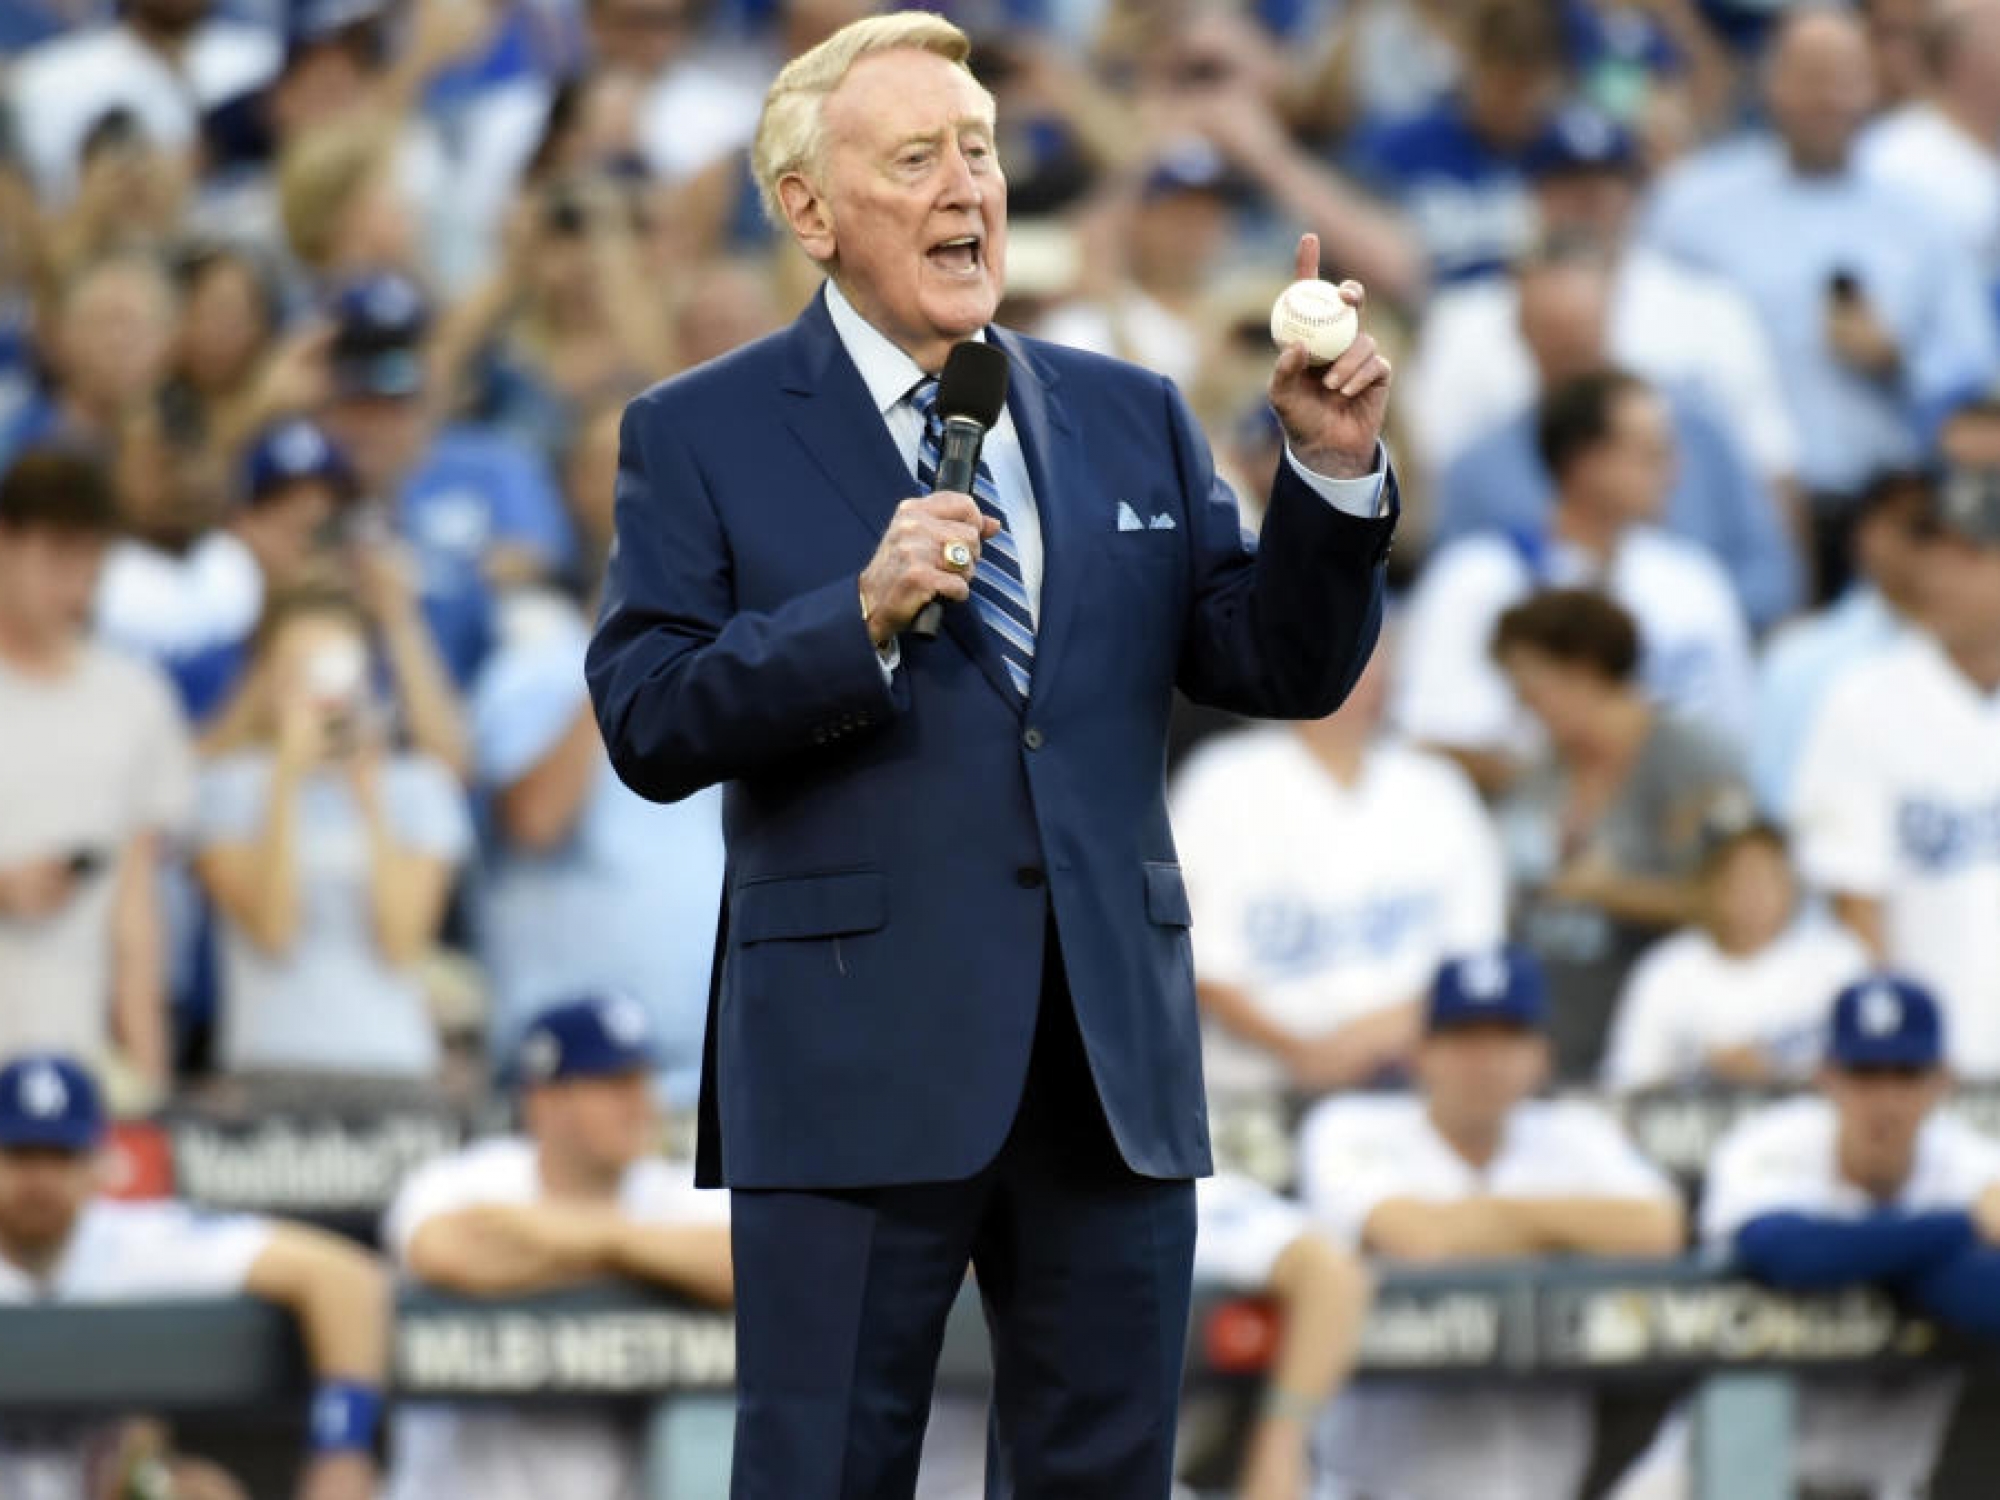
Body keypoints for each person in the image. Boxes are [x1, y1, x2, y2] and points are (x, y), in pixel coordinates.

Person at [584, 12, 1398, 1495]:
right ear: (809, 212)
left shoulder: (1130, 415)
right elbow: (646, 714)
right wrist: (854, 620)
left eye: (981, 150)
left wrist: (1328, 483)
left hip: (1108, 1062)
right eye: (916, 158)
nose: (969, 188)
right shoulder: (698, 434)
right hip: (848, 1060)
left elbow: (1273, 662)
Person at [1296, 946, 1685, 1500]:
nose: (1487, 1060)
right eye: (1465, 1038)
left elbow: (1660, 1228)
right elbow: (1417, 1240)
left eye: (1508, 1037)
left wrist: (1490, 1220)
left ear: (1541, 1054)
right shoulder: (1349, 1125)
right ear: (1422, 1050)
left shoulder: (1574, 1131)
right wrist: (1564, 1234)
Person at [1641, 7, 1998, 593]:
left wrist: (1896, 357)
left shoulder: (1921, 219)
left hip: (1885, 503)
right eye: (1810, 77)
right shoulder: (1692, 207)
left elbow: (1974, 375)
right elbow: (1648, 332)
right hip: (1738, 504)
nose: (1829, 99)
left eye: (1845, 78)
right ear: (1770, 82)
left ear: (1873, 85)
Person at [470, 401, 723, 1105]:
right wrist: (619, 657)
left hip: (712, 1076)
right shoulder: (535, 660)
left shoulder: (729, 660)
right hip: (571, 1079)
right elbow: (534, 821)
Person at [383, 992, 733, 1500]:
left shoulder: (665, 1190)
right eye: (613, 1084)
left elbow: (749, 1269)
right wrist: (644, 1258)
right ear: (544, 1100)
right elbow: (442, 1252)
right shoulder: (471, 1178)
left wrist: (598, 1236)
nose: (641, 1104)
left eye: (645, 1080)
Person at [0, 1052, 389, 1500]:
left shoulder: (129, 1241)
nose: (40, 1180)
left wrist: (340, 1452)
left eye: (60, 1156)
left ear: (97, 1163)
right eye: (20, 1155)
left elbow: (345, 1279)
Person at [1672, 975, 2000, 1497]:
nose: (1885, 1098)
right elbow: (1786, 1255)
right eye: (1865, 1072)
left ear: (1942, 1080)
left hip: (1886, 1484)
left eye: (1906, 1073)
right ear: (1827, 1077)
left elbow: (1988, 1301)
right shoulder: (1770, 1145)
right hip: (1716, 1479)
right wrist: (1964, 1228)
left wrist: (1874, 1254)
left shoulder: (1969, 1164)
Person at [1170, 643, 1505, 1100]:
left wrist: (1363, 1048)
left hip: (1409, 1085)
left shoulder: (1438, 786)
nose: (1362, 682)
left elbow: (1473, 957)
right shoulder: (1222, 777)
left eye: (1375, 665)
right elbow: (1188, 952)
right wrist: (1301, 1051)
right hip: (1246, 1090)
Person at [1393, 370, 1755, 787]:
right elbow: (1431, 739)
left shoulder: (1695, 582)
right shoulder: (1475, 579)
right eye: (1649, 456)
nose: (1673, 473)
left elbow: (1735, 737)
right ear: (1585, 462)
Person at [1431, 240, 1799, 629]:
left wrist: (1675, 624)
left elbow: (1770, 577)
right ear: (1520, 329)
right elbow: (1455, 605)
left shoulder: (1697, 430)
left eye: (1582, 326)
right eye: (1552, 328)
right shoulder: (1477, 470)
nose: (1569, 344)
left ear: (1611, 317)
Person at [192, 580, 472, 1080]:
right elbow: (273, 930)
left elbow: (402, 945)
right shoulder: (227, 789)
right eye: (299, 670)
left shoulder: (417, 787)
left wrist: (368, 797)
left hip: (392, 1061)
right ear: (268, 680)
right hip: (268, 1063)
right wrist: (284, 778)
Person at [1791, 465, 2000, 1078]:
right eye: (1931, 550)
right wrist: (1904, 1058)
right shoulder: (1864, 701)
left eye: (1970, 554)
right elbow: (1855, 904)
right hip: (1933, 1067)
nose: (1939, 575)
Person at [1489, 589, 1749, 1078]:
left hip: (1661, 1050)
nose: (1524, 707)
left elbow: (1742, 907)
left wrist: (1613, 893)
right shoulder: (1537, 780)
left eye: (1531, 687)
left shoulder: (1692, 764)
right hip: (1554, 1044)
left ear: (1584, 671)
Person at [0, 448, 192, 1102]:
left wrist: (151, 1077)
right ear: (6, 543)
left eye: (93, 567)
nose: (76, 589)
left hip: (73, 1060)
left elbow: (136, 913)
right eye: (58, 562)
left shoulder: (136, 699)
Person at [1601, 817, 1870, 1090]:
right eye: (1739, 875)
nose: (1754, 891)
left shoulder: (1838, 961)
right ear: (1710, 884)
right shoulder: (1666, 969)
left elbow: (1875, 1076)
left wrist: (1772, 1071)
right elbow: (1626, 1084)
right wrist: (1706, 1072)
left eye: (1767, 873)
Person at [1750, 467, 1934, 818]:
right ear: (1867, 535)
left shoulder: (1978, 652)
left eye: (1935, 531)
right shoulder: (1799, 658)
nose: (1925, 547)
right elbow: (1774, 803)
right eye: (1914, 527)